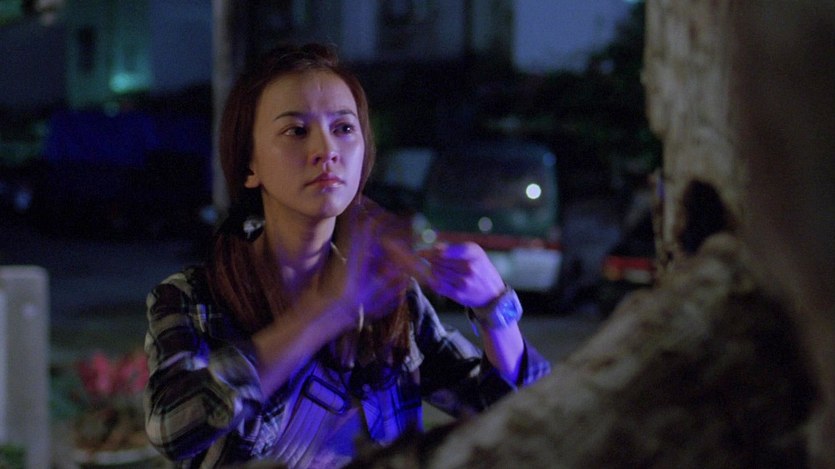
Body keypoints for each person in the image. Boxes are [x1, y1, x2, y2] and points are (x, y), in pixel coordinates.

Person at [143, 42, 550, 468]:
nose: (327, 149)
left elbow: (524, 420)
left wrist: (494, 308)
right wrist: (322, 313)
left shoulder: (393, 297)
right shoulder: (193, 299)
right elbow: (172, 428)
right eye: (296, 131)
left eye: (343, 127)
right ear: (249, 166)